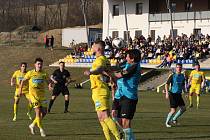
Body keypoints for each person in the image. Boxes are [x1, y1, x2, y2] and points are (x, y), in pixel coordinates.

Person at [84, 40, 120, 140]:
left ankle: (118, 137)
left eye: (93, 46)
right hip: (97, 90)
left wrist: (91, 72)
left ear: (98, 48)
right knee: (101, 118)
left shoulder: (100, 60)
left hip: (99, 90)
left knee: (105, 116)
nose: (91, 47)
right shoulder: (103, 59)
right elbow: (107, 71)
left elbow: (99, 69)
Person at [19, 58, 52, 137]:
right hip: (33, 96)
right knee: (38, 112)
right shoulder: (30, 73)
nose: (40, 65)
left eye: (41, 64)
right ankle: (41, 130)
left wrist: (50, 85)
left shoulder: (44, 73)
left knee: (44, 112)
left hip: (42, 96)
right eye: (38, 64)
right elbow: (23, 81)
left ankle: (32, 125)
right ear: (35, 64)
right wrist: (20, 90)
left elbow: (48, 81)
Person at [114, 49, 141, 140]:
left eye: (127, 56)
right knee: (115, 116)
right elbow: (117, 67)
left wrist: (105, 71)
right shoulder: (128, 64)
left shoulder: (134, 67)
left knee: (126, 122)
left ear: (132, 59)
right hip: (120, 95)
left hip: (129, 97)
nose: (126, 58)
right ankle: (130, 137)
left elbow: (119, 75)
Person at [165, 63, 187, 128]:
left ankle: (174, 119)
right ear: (176, 68)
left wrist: (185, 92)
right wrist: (166, 93)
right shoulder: (172, 76)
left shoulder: (182, 76)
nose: (179, 68)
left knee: (183, 108)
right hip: (173, 94)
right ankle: (167, 122)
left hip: (179, 94)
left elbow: (182, 85)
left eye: (180, 67)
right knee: (173, 110)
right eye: (177, 67)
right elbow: (166, 84)